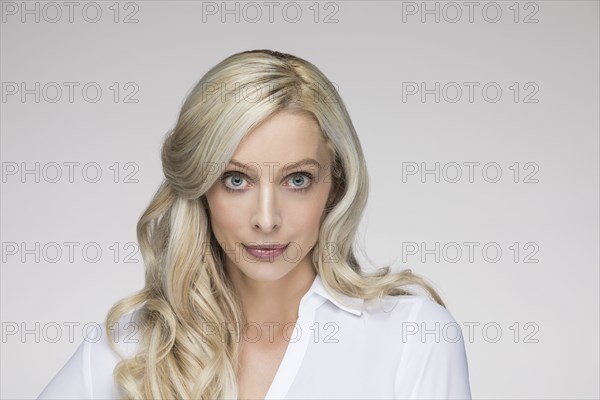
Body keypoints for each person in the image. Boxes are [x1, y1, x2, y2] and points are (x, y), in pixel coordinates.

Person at [38, 49, 472, 399]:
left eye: (297, 180)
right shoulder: (138, 343)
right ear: (202, 188)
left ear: (335, 185)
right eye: (236, 179)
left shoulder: (414, 338)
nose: (267, 219)